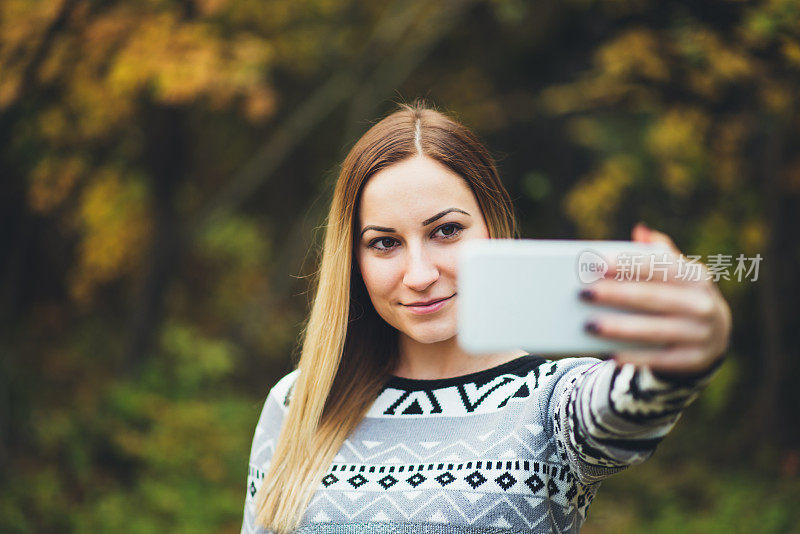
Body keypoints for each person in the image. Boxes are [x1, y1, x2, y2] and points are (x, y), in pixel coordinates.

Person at [240, 100, 731, 534]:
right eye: (384, 243)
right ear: (353, 258)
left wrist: (687, 351)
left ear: (493, 226)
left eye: (446, 231)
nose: (419, 274)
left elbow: (627, 409)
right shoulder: (298, 402)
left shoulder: (552, 403)